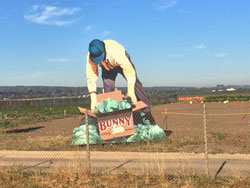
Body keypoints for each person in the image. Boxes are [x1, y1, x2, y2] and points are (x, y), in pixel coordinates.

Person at [86, 39, 156, 124]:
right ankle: (112, 119)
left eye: (100, 58)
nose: (99, 61)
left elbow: (129, 71)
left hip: (121, 63)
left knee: (136, 85)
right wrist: (93, 98)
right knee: (108, 89)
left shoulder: (116, 52)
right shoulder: (90, 57)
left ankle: (147, 113)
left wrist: (130, 91)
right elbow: (91, 76)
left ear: (104, 50)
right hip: (107, 68)